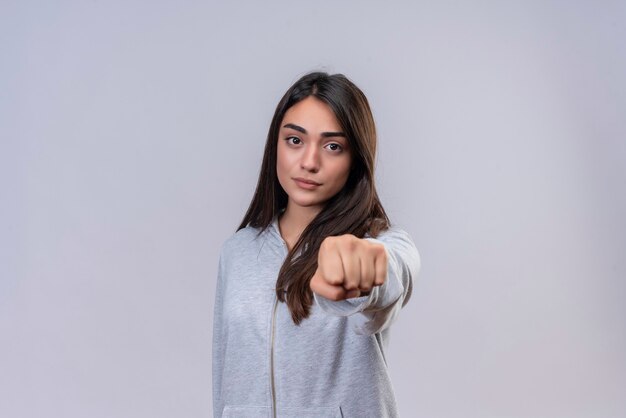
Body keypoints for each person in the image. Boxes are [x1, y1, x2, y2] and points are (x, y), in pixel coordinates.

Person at [212, 71, 421, 418]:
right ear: (274, 145)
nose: (309, 162)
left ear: (355, 159)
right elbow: (223, 378)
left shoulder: (382, 243)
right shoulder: (237, 252)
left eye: (332, 146)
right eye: (295, 140)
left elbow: (394, 273)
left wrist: (367, 267)